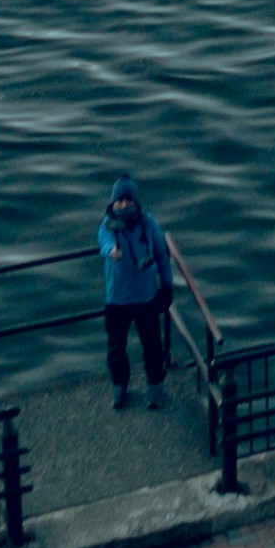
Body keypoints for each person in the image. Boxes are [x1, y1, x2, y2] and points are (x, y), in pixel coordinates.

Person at [97, 173, 193, 408]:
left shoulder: (148, 223)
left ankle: (155, 389)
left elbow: (161, 254)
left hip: (145, 298)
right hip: (117, 299)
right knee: (115, 349)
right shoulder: (108, 224)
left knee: (152, 346)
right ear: (113, 203)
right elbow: (103, 239)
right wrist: (111, 251)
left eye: (128, 200)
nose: (124, 205)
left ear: (135, 202)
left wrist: (167, 285)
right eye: (119, 201)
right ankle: (119, 389)